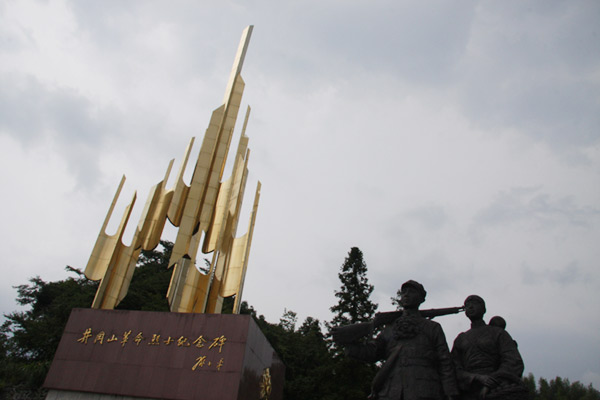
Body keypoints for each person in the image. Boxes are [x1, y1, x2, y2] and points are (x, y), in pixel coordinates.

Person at [335, 280, 458, 400]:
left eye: (411, 292)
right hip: (392, 390)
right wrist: (351, 346)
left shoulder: (432, 328)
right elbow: (374, 352)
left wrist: (450, 391)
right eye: (403, 292)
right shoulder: (389, 329)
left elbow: (445, 361)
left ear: (421, 298)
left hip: (425, 389)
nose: (406, 295)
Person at [451, 296, 526, 400]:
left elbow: (513, 360)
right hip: (470, 390)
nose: (471, 307)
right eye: (467, 305)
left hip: (497, 388)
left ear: (484, 309)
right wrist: (476, 378)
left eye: (475, 303)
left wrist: (493, 380)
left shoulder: (498, 333)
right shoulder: (461, 339)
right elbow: (454, 368)